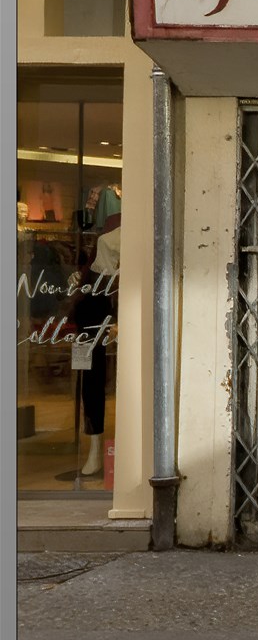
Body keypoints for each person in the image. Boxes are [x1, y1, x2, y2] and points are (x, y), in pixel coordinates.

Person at [68, 186, 120, 479]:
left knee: (102, 379)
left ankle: (101, 448)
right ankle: (95, 447)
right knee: (93, 378)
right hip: (95, 316)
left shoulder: (111, 237)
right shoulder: (100, 242)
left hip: (110, 312)